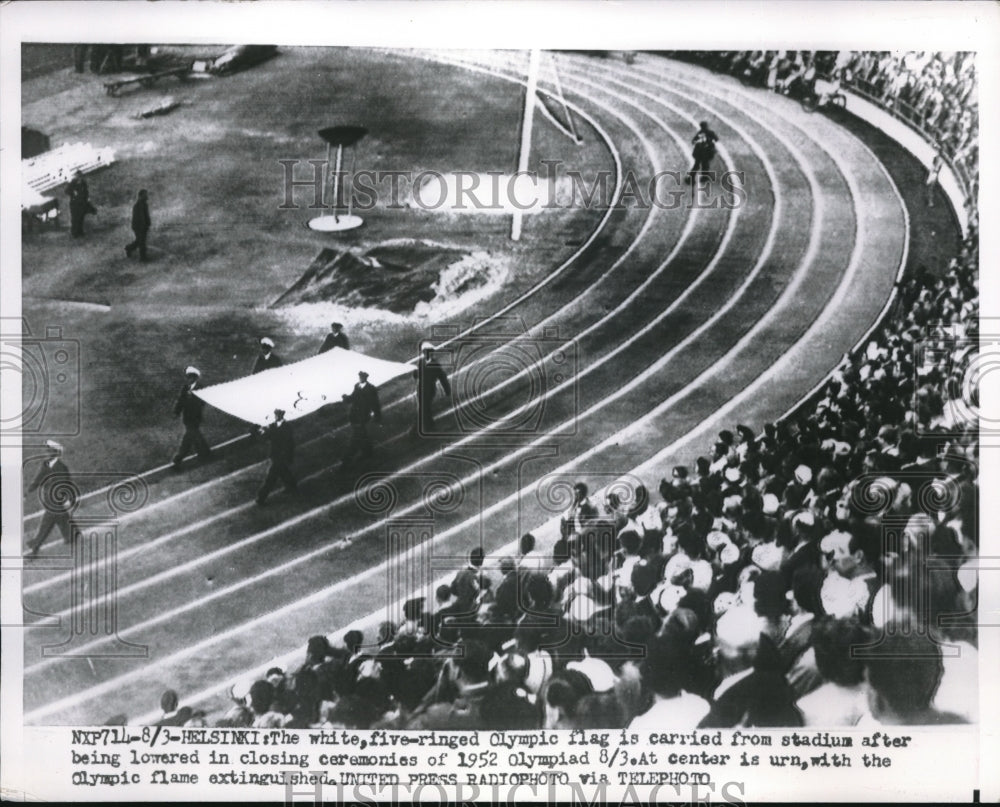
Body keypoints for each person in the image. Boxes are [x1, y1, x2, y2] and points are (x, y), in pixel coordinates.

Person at [24, 440, 78, 557]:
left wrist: (68, 499)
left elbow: (66, 484)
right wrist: (27, 492)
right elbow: (38, 479)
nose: (48, 453)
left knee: (47, 522)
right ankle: (73, 535)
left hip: (57, 500)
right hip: (48, 498)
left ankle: (35, 546)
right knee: (62, 518)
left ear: (57, 453)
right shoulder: (45, 464)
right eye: (47, 450)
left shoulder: (62, 467)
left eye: (51, 451)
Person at [172, 366, 212, 470]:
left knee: (188, 437)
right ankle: (205, 452)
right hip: (187, 417)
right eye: (188, 377)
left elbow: (201, 403)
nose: (189, 379)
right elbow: (181, 400)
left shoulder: (200, 388)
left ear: (195, 378)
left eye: (191, 377)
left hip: (195, 417)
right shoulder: (186, 388)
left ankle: (179, 457)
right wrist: (177, 412)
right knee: (194, 435)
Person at [340, 371, 382, 469]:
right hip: (354, 416)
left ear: (365, 378)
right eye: (360, 377)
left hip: (362, 418)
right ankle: (368, 452)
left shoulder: (371, 389)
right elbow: (353, 398)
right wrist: (346, 398)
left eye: (362, 377)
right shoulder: (357, 386)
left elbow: (375, 404)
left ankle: (346, 461)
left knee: (356, 439)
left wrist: (377, 416)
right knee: (361, 435)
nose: (361, 378)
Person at [256, 408, 296, 505]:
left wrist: (288, 456)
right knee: (284, 472)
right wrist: (262, 432)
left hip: (281, 455)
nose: (275, 417)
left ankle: (261, 498)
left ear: (281, 415)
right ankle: (292, 487)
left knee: (271, 478)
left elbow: (290, 443)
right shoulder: (274, 426)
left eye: (277, 415)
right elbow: (266, 437)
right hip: (275, 455)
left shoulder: (286, 427)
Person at [412, 342, 451, 436]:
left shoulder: (434, 364)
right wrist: (414, 372)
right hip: (421, 389)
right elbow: (417, 376)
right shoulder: (421, 363)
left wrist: (447, 390)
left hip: (429, 389)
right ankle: (429, 425)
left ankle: (419, 429)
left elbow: (442, 377)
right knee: (424, 408)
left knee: (424, 408)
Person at [67, 171, 96, 238]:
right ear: (76, 177)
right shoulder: (72, 183)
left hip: (82, 202)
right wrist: (73, 192)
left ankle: (80, 231)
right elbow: (67, 191)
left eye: (80, 176)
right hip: (74, 204)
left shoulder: (83, 183)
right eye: (77, 176)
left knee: (81, 217)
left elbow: (86, 191)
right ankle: (74, 233)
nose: (79, 178)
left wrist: (88, 198)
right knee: (75, 218)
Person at [125, 189, 150, 260]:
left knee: (139, 241)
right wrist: (142, 226)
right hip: (138, 227)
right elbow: (139, 218)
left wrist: (148, 223)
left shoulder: (145, 204)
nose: (147, 196)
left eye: (147, 194)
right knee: (142, 242)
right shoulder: (137, 206)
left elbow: (146, 216)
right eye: (145, 195)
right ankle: (143, 258)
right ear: (141, 196)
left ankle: (129, 248)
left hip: (143, 226)